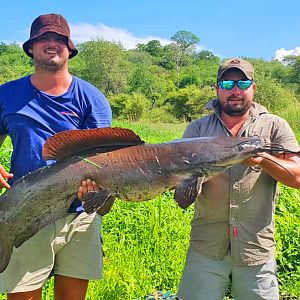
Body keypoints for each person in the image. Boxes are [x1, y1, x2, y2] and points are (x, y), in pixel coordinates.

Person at [0, 13, 112, 300]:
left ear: (69, 48)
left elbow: (105, 156)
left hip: (80, 212)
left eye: (59, 39)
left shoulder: (91, 98)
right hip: (25, 207)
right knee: (22, 295)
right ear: (31, 48)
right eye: (43, 38)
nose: (51, 44)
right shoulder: (7, 95)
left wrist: (96, 183)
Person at [177, 58, 300, 300]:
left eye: (242, 83)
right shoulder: (197, 131)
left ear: (253, 87)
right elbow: (179, 181)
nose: (235, 90)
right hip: (206, 248)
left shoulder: (274, 126)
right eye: (227, 83)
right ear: (217, 88)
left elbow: (297, 176)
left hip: (256, 250)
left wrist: (264, 160)